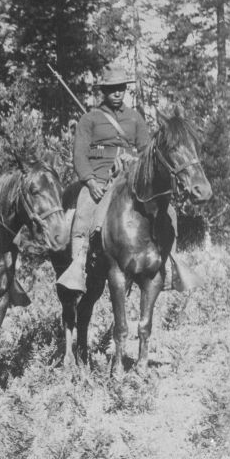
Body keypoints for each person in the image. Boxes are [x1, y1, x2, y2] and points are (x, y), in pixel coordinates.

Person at [57, 64, 150, 291]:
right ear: (103, 91)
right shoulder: (89, 119)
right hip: (98, 179)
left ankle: (170, 262)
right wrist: (90, 182)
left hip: (130, 179)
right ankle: (78, 265)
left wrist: (133, 159)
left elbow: (147, 152)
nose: (117, 93)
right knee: (84, 214)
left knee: (165, 210)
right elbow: (79, 155)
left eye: (121, 88)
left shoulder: (135, 119)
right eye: (112, 89)